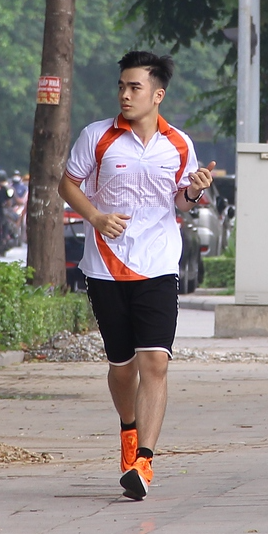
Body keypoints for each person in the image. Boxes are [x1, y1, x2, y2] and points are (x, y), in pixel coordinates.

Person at [58, 50, 215, 500]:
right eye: (122, 87)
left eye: (135, 88)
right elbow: (68, 182)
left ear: (157, 94)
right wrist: (95, 216)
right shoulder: (98, 137)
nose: (125, 95)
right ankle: (129, 430)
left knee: (155, 363)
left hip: (159, 263)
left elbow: (181, 201)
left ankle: (143, 461)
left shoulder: (179, 144)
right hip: (106, 267)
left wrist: (194, 190)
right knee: (122, 367)